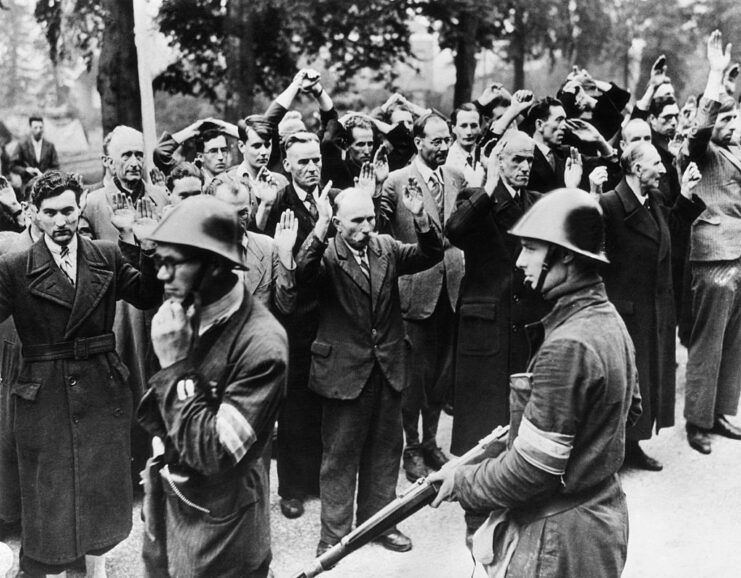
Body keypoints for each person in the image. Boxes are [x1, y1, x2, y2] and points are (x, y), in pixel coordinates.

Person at [430, 187, 641, 578]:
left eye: (530, 248)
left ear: (565, 257)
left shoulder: (569, 344)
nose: (520, 260)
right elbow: (629, 412)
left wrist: (463, 480)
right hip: (597, 522)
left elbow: (532, 472)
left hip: (558, 540)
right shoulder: (606, 321)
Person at [0, 170, 161, 576]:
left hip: (101, 389)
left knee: (96, 500)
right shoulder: (15, 266)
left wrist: (146, 247)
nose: (61, 222)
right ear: (32, 214)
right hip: (45, 397)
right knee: (49, 504)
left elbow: (146, 295)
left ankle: (88, 570)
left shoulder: (106, 254)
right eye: (50, 213)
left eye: (68, 211)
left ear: (80, 208)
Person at [138, 195, 287, 578]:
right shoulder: (185, 311)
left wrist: (175, 368)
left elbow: (215, 454)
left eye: (173, 263)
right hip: (172, 511)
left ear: (216, 265)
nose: (161, 275)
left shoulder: (263, 345)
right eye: (159, 261)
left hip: (223, 535)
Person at [296, 184, 443, 555]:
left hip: (388, 367)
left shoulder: (386, 247)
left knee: (385, 452)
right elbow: (302, 274)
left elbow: (430, 253)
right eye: (356, 220)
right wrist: (320, 226)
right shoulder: (326, 255)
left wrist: (421, 218)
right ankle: (334, 537)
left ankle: (379, 525)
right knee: (340, 457)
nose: (366, 226)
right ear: (338, 222)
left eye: (370, 218)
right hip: (344, 372)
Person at [445, 130, 552, 542]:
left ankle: (510, 505)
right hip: (485, 329)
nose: (525, 167)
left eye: (530, 160)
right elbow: (455, 231)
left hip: (523, 327)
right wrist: (488, 186)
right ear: (498, 160)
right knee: (480, 424)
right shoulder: (479, 196)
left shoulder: (535, 202)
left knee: (518, 423)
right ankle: (475, 516)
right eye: (516, 160)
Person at [600, 143, 705, 471]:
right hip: (626, 310)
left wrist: (686, 195)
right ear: (634, 168)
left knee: (645, 382)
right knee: (624, 384)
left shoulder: (655, 200)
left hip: (654, 309)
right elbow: (595, 262)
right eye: (656, 163)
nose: (662, 170)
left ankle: (632, 447)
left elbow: (670, 238)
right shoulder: (609, 205)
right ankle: (610, 454)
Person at [379, 112, 466, 482]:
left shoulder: (457, 177)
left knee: (441, 375)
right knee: (413, 379)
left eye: (447, 139)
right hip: (415, 292)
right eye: (436, 141)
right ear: (418, 142)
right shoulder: (395, 182)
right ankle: (411, 448)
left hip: (452, 290)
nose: (444, 146)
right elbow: (381, 231)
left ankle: (431, 442)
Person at [264, 131, 340, 519]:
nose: (312, 167)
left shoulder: (332, 197)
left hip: (331, 315)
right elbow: (292, 268)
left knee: (324, 402)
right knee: (295, 405)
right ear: (287, 165)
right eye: (303, 162)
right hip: (295, 319)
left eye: (316, 160)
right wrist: (322, 226)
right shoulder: (283, 204)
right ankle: (291, 487)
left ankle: (317, 479)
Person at [678, 30, 741, 454]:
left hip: (738, 254)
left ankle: (720, 410)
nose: (731, 125)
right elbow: (700, 129)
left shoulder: (734, 152)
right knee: (708, 341)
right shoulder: (702, 151)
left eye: (735, 119)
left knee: (734, 341)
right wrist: (716, 78)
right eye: (725, 120)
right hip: (713, 256)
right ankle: (697, 421)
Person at [206, 172, 297, 316]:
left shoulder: (267, 247)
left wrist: (285, 255)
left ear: (251, 207)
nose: (235, 222)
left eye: (242, 213)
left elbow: (286, 306)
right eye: (226, 213)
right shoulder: (198, 251)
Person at [10, 115, 60, 187]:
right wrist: (26, 170)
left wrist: (44, 175)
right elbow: (12, 165)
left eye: (41, 127)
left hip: (46, 186)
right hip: (27, 186)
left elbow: (56, 167)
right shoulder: (22, 145)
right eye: (35, 128)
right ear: (30, 128)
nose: (38, 130)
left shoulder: (50, 146)